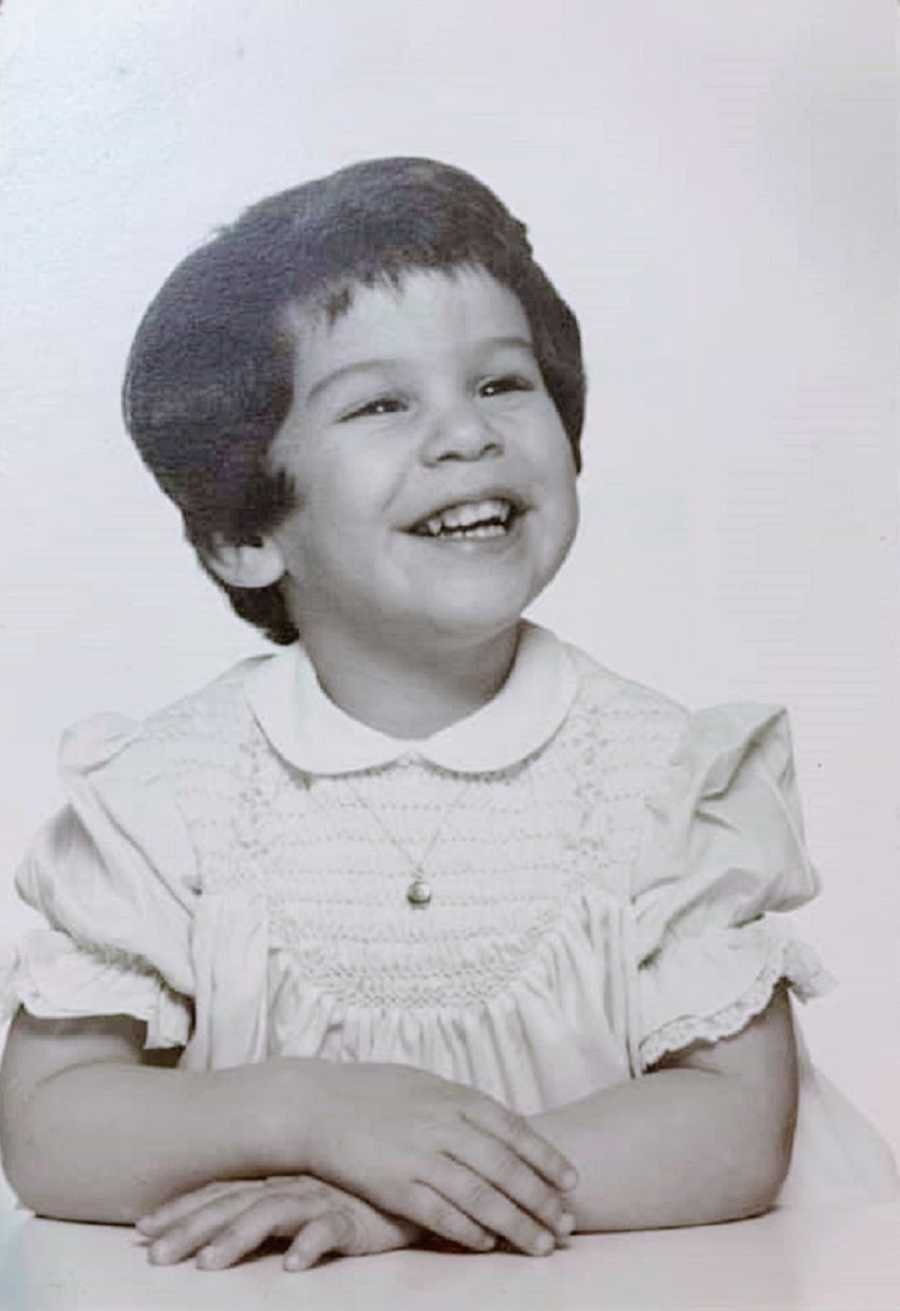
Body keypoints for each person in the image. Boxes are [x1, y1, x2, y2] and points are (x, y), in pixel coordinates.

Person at [0, 158, 895, 1275]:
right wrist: (310, 1113)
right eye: (381, 403)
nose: (466, 437)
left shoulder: (667, 782)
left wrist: (407, 1202)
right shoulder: (167, 796)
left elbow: (732, 1128)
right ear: (245, 530)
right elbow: (47, 1129)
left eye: (502, 384)